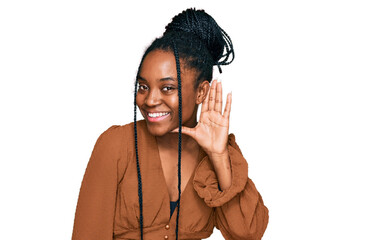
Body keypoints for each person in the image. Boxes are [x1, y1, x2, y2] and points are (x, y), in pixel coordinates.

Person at [72, 8, 269, 240]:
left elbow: (248, 233)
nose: (150, 100)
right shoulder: (116, 145)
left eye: (167, 88)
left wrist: (218, 156)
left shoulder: (219, 154)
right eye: (143, 87)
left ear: (201, 92)